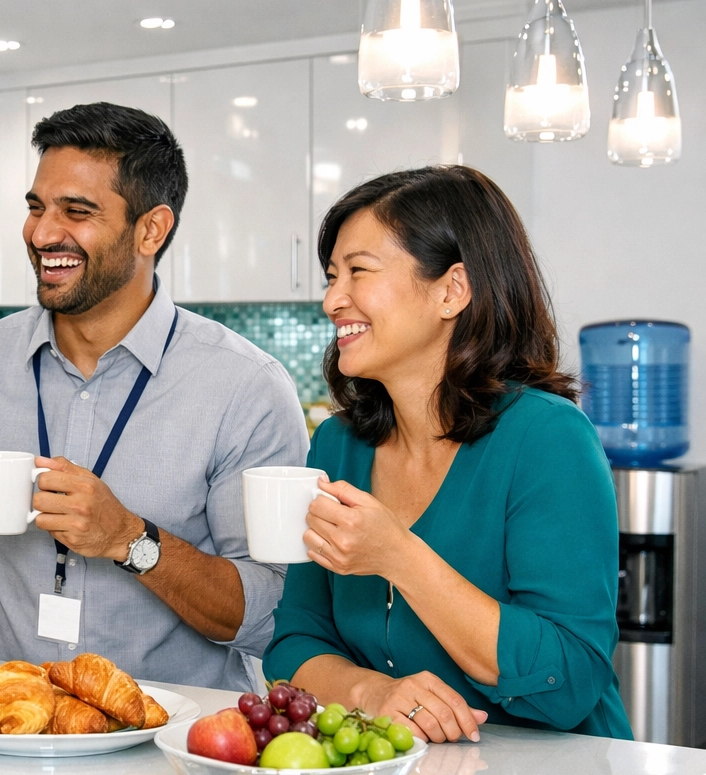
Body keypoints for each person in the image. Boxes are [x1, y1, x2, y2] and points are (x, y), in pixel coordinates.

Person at [0, 102, 310, 689]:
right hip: (12, 742)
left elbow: (275, 611)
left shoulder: (246, 387)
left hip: (176, 748)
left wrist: (129, 539)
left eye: (77, 211)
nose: (42, 233)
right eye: (36, 207)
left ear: (151, 229)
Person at [264, 165, 631, 741]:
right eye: (332, 276)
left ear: (451, 290)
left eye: (358, 271)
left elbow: (570, 677)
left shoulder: (548, 440)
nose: (333, 299)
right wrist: (372, 693)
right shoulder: (338, 445)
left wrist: (400, 557)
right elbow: (294, 643)